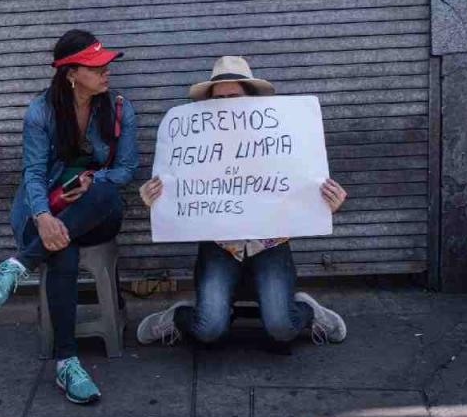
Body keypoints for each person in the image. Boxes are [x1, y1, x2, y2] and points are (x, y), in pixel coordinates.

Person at [135, 56, 348, 349]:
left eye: (234, 97)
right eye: (219, 99)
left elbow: (303, 184)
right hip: (221, 245)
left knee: (282, 328)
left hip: (269, 243)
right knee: (208, 330)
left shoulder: (281, 136)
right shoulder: (194, 144)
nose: (227, 105)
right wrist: (157, 201)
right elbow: (178, 190)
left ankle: (308, 311)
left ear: (251, 100)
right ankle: (177, 317)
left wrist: (326, 203)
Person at [0, 29, 139, 405]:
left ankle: (17, 265)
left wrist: (91, 180)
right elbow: (33, 174)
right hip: (47, 208)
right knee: (62, 253)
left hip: (98, 211)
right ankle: (68, 363)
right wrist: (42, 216)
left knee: (103, 193)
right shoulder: (41, 112)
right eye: (96, 66)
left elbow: (128, 169)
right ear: (71, 73)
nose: (106, 71)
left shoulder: (118, 108)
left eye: (106, 64)